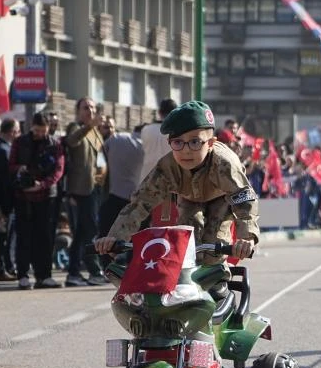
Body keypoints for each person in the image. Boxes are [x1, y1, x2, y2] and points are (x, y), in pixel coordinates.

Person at [94, 101, 258, 265]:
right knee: (185, 247)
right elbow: (139, 204)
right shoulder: (166, 168)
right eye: (178, 142)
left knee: (213, 248)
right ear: (170, 144)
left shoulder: (225, 164)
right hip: (189, 199)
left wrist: (247, 238)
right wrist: (114, 238)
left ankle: (219, 285)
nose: (186, 150)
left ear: (210, 143)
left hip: (222, 197)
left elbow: (244, 200)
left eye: (194, 142)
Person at [11, 112, 66, 289]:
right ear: (31, 127)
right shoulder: (20, 142)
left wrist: (42, 184)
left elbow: (58, 170)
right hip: (23, 197)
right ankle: (23, 275)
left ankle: (44, 276)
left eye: (43, 130)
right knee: (24, 236)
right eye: (37, 130)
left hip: (46, 197)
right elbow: (11, 165)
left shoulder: (55, 144)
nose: (40, 134)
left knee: (45, 237)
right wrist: (22, 170)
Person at [64, 98, 106, 286]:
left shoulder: (96, 131)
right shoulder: (75, 127)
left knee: (82, 232)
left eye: (92, 107)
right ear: (78, 111)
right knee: (89, 230)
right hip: (81, 189)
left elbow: (101, 157)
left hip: (96, 187)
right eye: (85, 107)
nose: (90, 110)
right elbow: (72, 141)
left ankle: (74, 272)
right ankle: (93, 270)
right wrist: (89, 126)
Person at [98, 124, 144, 245]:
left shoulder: (117, 138)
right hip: (137, 200)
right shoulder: (146, 146)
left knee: (106, 238)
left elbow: (100, 155)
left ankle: (106, 263)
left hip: (113, 196)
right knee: (136, 241)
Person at [0, 118, 19, 281]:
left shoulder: (3, 147)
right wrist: (4, 205)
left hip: (4, 201)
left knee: (4, 237)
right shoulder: (2, 149)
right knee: (1, 236)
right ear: (11, 131)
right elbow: (2, 180)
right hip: (3, 201)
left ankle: (4, 267)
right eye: (17, 130)